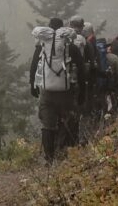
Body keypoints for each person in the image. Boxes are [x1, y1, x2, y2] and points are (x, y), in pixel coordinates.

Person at [29, 18, 85, 162]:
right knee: (67, 121)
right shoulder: (70, 47)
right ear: (63, 29)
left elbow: (34, 66)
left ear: (49, 28)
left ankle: (49, 158)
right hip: (66, 92)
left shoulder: (42, 46)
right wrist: (82, 91)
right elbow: (81, 68)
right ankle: (63, 153)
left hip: (47, 93)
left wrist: (33, 85)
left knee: (47, 125)